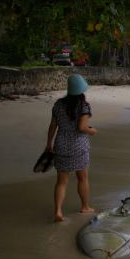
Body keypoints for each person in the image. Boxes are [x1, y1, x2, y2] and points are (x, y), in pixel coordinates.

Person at [45, 74, 97, 222]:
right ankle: (85, 206)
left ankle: (58, 211)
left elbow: (52, 126)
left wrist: (49, 144)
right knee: (83, 178)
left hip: (61, 144)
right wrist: (92, 131)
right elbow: (82, 127)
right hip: (79, 146)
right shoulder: (84, 106)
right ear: (81, 90)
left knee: (61, 181)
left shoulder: (58, 104)